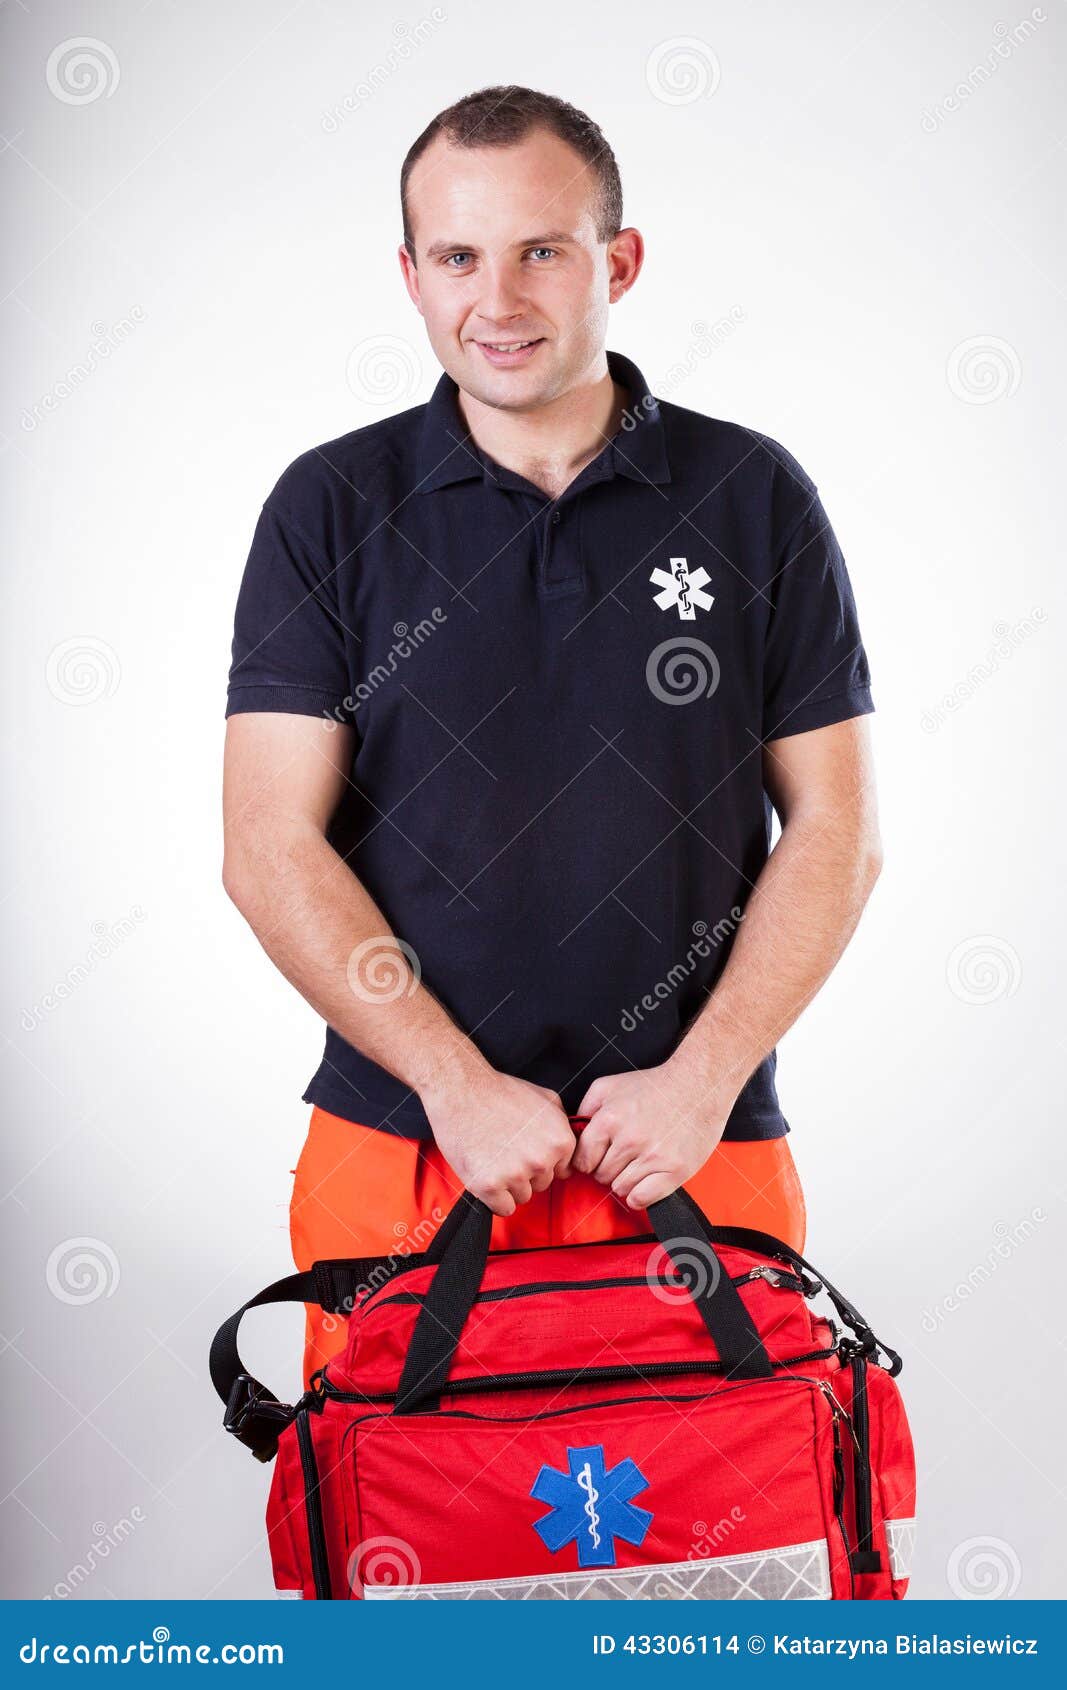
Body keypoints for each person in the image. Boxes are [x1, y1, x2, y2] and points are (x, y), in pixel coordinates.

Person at [222, 86, 882, 1391]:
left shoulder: (753, 496)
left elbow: (838, 829)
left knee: (714, 1563)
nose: (500, 299)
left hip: (693, 1149)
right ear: (410, 278)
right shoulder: (329, 506)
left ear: (619, 261)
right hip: (406, 1149)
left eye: (543, 249)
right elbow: (264, 839)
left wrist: (702, 1077)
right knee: (407, 1560)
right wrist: (453, 1082)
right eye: (459, 257)